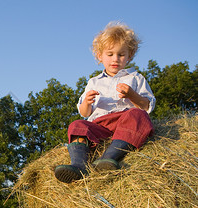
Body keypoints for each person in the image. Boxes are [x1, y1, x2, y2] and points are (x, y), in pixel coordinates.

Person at [55, 22, 156, 183]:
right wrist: (87, 102)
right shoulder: (94, 82)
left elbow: (146, 106)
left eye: (121, 54)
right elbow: (85, 112)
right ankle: (79, 165)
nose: (115, 59)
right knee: (77, 125)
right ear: (100, 56)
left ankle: (108, 158)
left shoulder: (136, 78)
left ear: (130, 55)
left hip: (124, 120)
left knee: (139, 116)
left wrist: (132, 95)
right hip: (99, 125)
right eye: (110, 54)